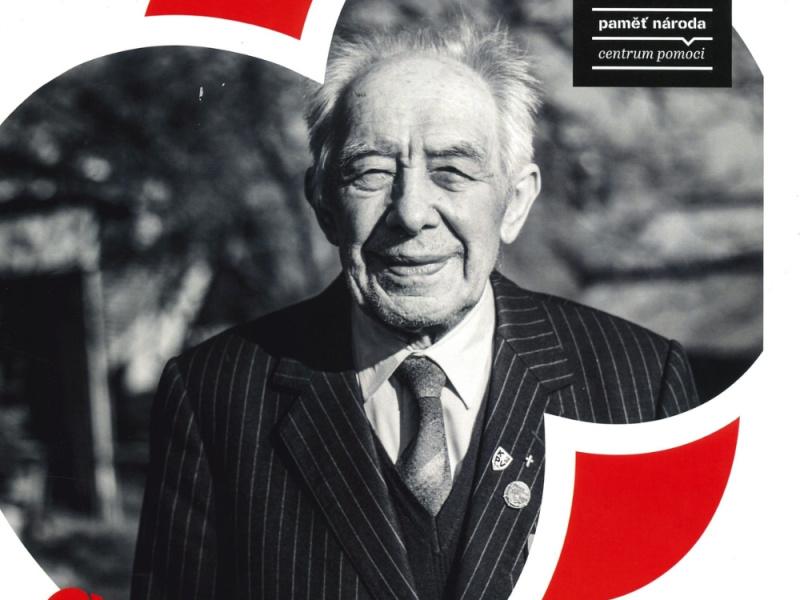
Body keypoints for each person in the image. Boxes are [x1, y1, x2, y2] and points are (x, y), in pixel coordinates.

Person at [131, 21, 700, 600]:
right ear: (324, 204)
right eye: (371, 172)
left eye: (452, 171)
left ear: (514, 202)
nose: (410, 212)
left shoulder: (639, 389)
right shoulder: (216, 395)